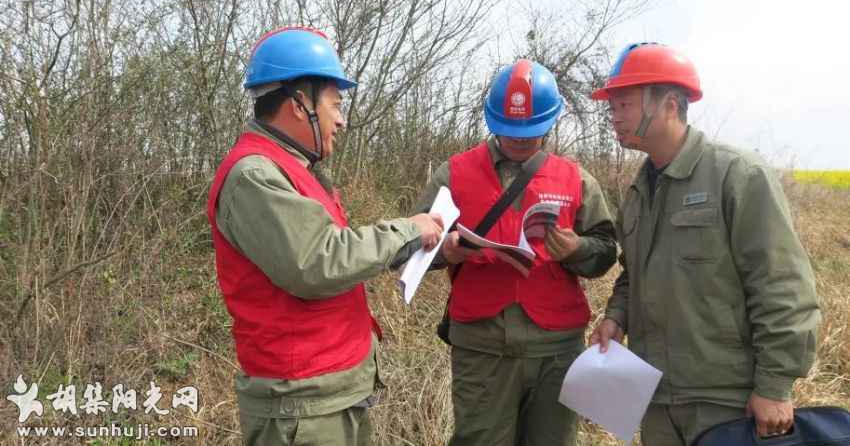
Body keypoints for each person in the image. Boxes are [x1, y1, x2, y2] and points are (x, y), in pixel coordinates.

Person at [207, 26, 444, 446]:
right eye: (335, 104)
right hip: (301, 409)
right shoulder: (255, 176)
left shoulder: (293, 169)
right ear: (300, 104)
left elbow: (334, 255)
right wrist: (408, 230)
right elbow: (318, 261)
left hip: (328, 397)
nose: (341, 118)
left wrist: (416, 244)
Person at [588, 42, 821, 445]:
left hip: (727, 400)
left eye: (624, 104)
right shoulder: (637, 191)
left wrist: (774, 385)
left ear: (670, 105)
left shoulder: (737, 176)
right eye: (612, 107)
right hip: (658, 398)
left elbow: (782, 285)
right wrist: (616, 317)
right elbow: (633, 274)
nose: (614, 116)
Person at [415, 59, 618, 446]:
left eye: (532, 131)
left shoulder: (576, 179)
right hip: (482, 350)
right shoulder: (453, 174)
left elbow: (606, 250)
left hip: (557, 352)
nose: (521, 139)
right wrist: (447, 251)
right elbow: (413, 249)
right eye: (510, 130)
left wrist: (577, 249)